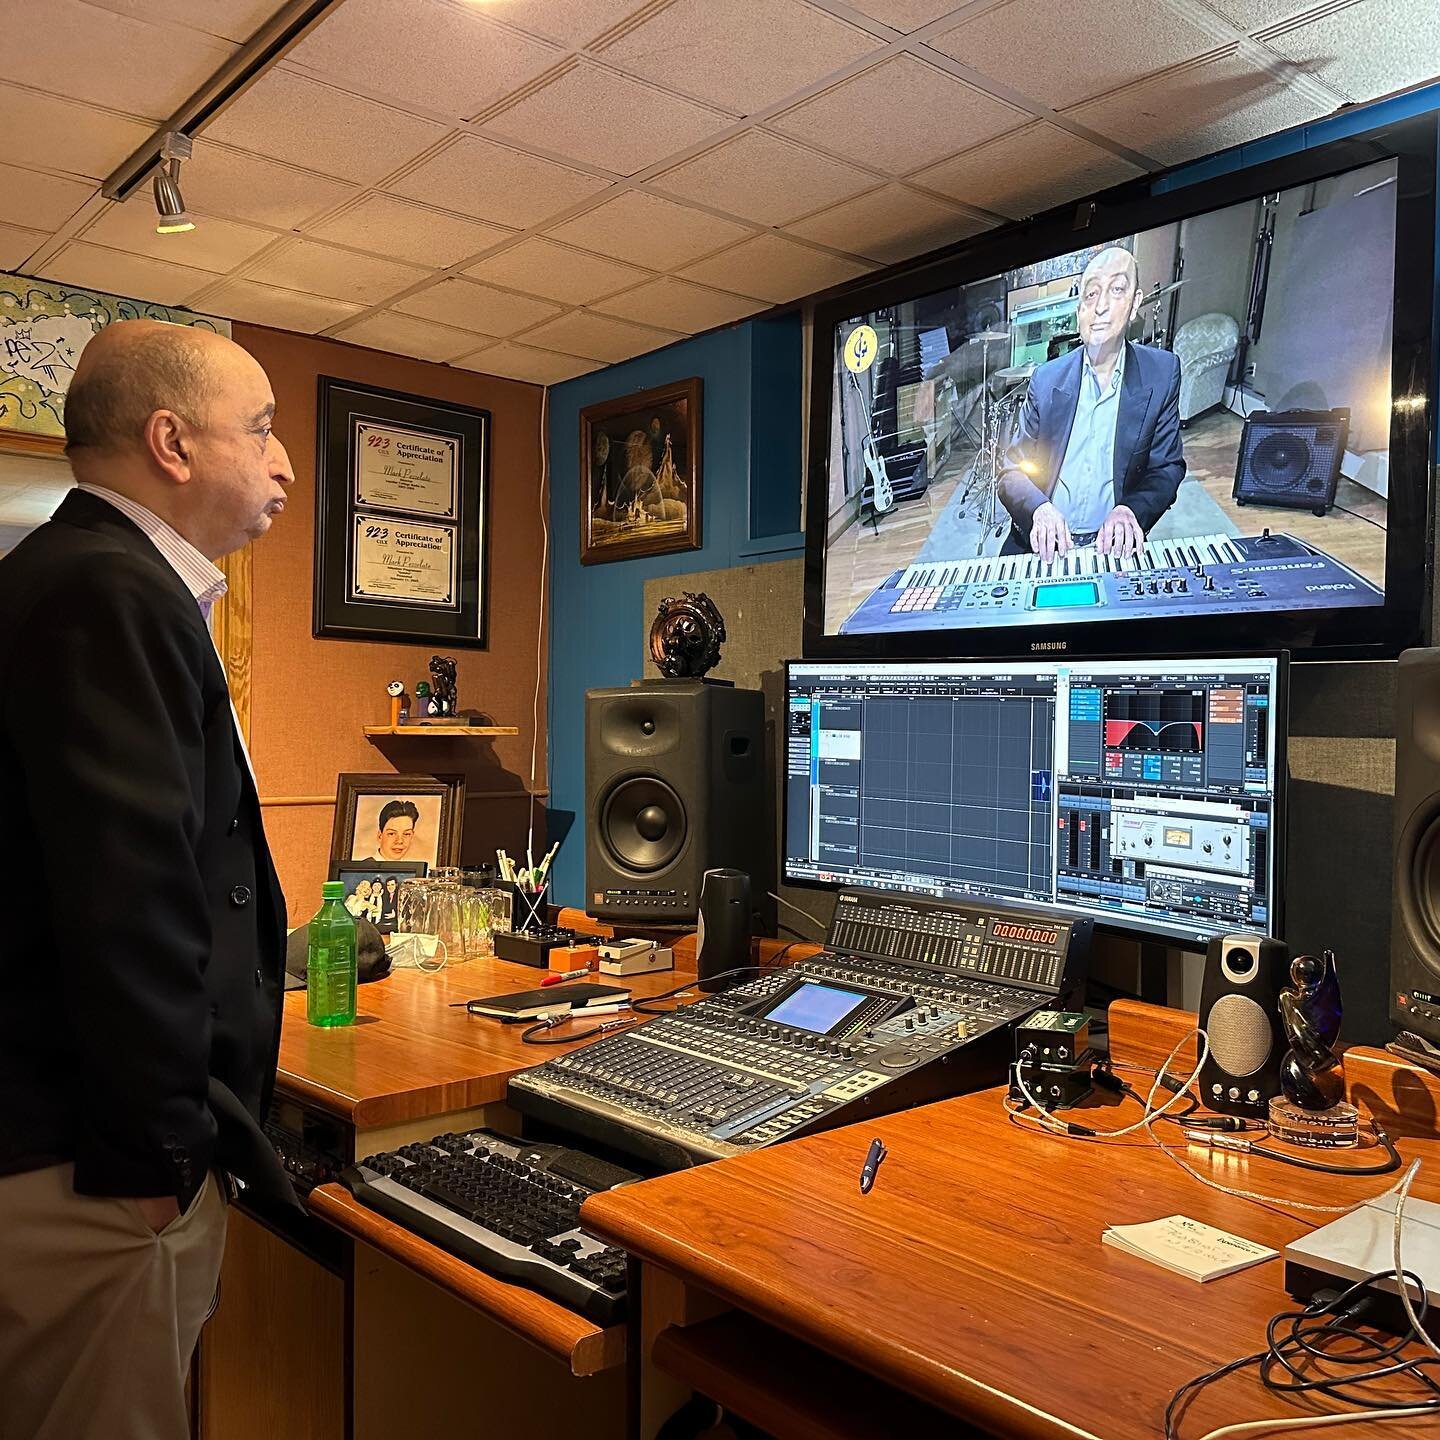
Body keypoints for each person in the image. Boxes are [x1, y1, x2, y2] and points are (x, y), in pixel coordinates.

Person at [0, 318, 296, 1440]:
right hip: (95, 1168)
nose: (281, 461)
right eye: (261, 428)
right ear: (171, 442)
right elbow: (129, 902)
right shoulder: (107, 593)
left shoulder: (81, 577)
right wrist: (161, 1156)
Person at [997, 246, 1185, 561]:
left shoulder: (1162, 373)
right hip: (1044, 546)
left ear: (1135, 302)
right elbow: (1011, 472)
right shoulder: (1046, 379)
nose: (1100, 307)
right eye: (1091, 294)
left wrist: (1130, 510)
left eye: (1116, 290)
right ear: (1079, 310)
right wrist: (1040, 509)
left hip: (1113, 547)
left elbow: (1166, 468)